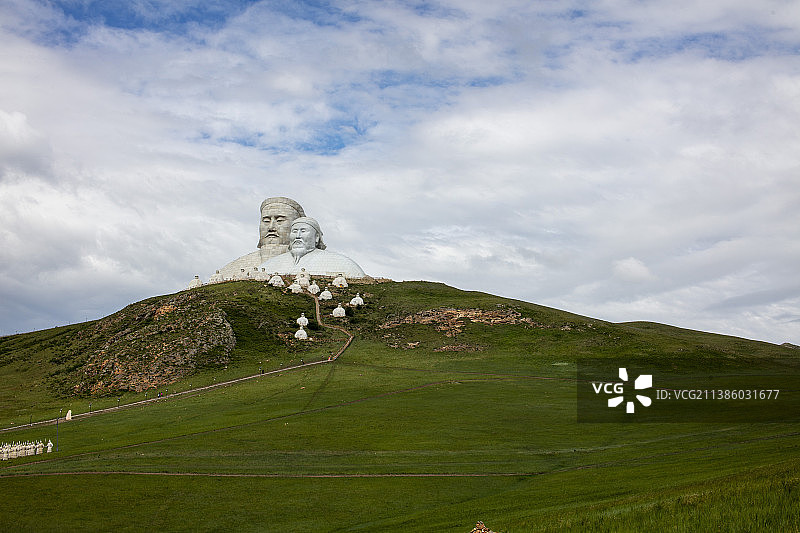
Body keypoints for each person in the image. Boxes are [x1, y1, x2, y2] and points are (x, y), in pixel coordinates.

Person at [216, 197, 305, 280]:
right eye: (266, 221)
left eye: (279, 221)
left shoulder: (313, 262)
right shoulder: (231, 269)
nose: (271, 227)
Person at [259, 217, 366, 278]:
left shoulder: (344, 263)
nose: (298, 236)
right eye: (294, 231)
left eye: (303, 231)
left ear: (317, 237)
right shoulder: (269, 265)